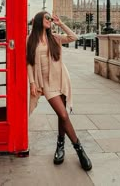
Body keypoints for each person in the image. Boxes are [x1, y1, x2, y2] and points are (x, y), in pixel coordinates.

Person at [26, 11, 92, 171]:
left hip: (60, 78)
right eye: (47, 18)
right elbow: (28, 61)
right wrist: (32, 82)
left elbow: (74, 37)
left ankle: (60, 146)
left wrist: (60, 23)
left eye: (50, 18)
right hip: (46, 82)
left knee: (61, 114)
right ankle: (79, 148)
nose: (49, 20)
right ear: (40, 20)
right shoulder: (30, 39)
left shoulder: (54, 37)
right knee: (63, 114)